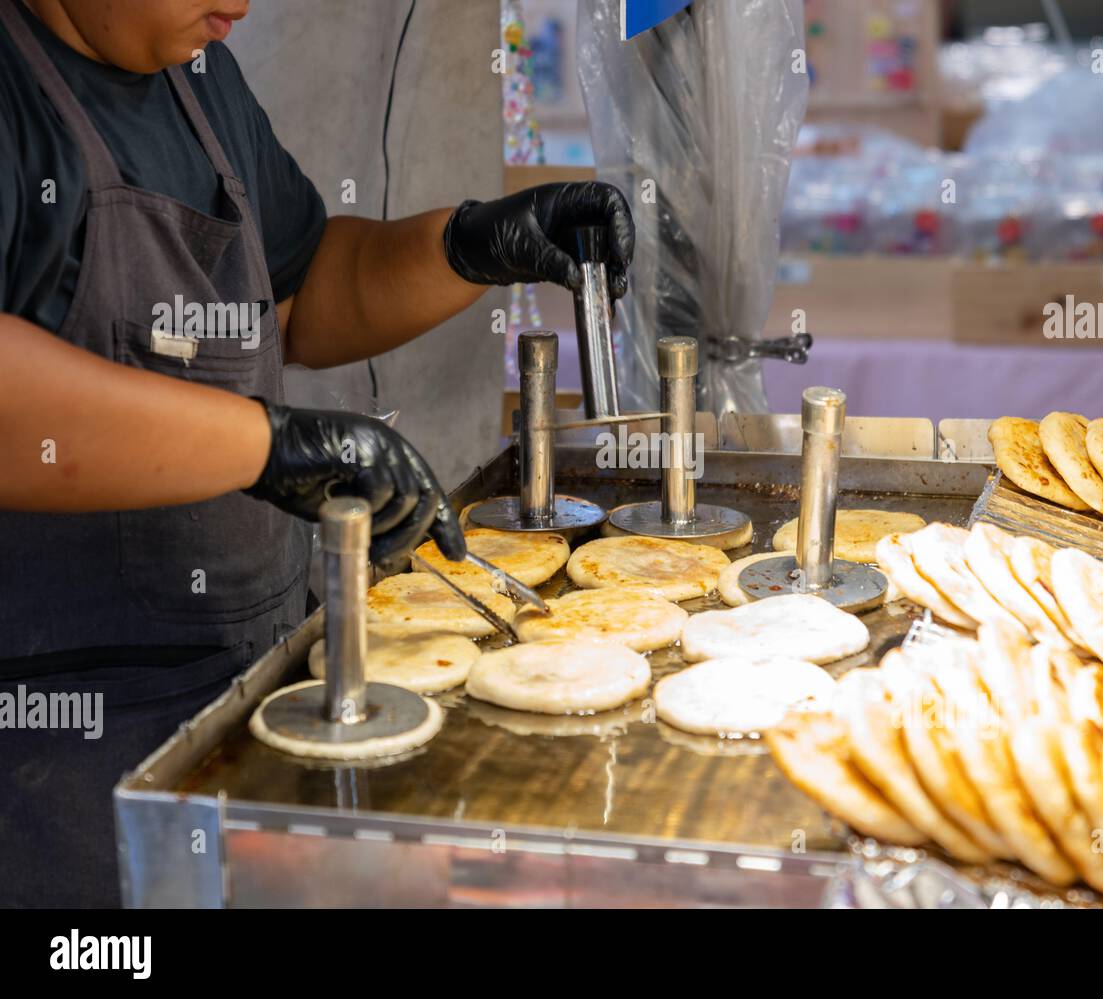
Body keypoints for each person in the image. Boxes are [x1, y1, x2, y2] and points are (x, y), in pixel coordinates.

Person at [0, 0, 634, 907]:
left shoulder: (199, 80)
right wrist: (265, 444)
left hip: (253, 705)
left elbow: (298, 298)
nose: (242, 4)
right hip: (60, 774)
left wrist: (470, 244)